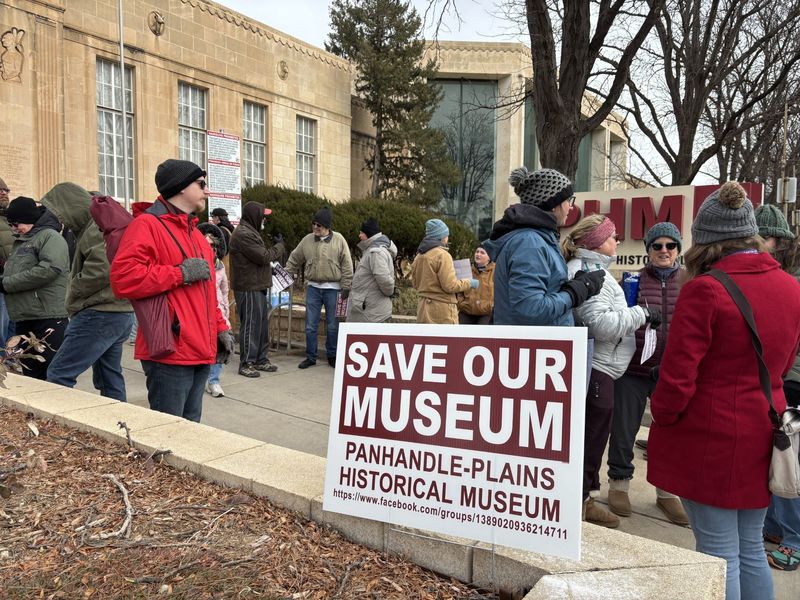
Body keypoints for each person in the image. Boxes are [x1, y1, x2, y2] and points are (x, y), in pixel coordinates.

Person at [647, 182, 800, 600]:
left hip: (710, 439)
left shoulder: (705, 289)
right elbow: (783, 366)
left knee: (717, 554)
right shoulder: (792, 288)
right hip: (765, 431)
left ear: (707, 241)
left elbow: (677, 380)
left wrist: (661, 414)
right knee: (750, 547)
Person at [110, 159, 234, 422]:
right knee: (167, 436)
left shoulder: (197, 235)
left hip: (200, 350)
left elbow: (207, 293)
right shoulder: (147, 225)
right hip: (170, 352)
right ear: (180, 187)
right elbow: (123, 279)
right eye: (201, 184)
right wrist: (179, 273)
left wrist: (220, 329)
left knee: (190, 435)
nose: (206, 190)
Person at [561, 215, 659, 528]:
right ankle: (577, 506)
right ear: (595, 241)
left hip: (602, 369)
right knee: (590, 440)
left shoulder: (594, 270)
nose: (617, 241)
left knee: (594, 437)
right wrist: (641, 313)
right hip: (596, 369)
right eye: (613, 235)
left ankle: (584, 499)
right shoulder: (589, 273)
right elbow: (600, 326)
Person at [606, 222, 688, 526]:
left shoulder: (690, 281)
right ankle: (619, 484)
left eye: (670, 245)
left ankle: (667, 492)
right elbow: (619, 319)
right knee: (624, 430)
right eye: (657, 246)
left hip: (673, 370)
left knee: (671, 434)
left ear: (678, 249)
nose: (664, 251)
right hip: (635, 368)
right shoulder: (632, 281)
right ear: (648, 250)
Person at [41, 183, 134, 400]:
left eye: (60, 212)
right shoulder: (99, 224)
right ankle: (117, 426)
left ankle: (53, 427)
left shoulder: (95, 227)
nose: (60, 220)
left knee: (58, 374)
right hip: (117, 312)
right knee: (108, 378)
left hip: (100, 313)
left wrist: (73, 289)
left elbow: (103, 267)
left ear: (71, 206)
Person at [483, 167, 605, 326]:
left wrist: (573, 286)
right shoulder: (529, 243)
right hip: (532, 347)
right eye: (568, 200)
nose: (571, 207)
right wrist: (575, 292)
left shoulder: (538, 239)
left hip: (538, 346)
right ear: (553, 204)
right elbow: (531, 310)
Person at [755, 204, 800, 572]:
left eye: (770, 240)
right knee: (777, 460)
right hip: (781, 383)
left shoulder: (790, 284)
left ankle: (793, 538)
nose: (769, 246)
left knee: (790, 466)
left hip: (793, 383)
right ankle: (773, 528)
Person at [0, 196, 69, 379]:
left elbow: (49, 270)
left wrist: (5, 284)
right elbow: (14, 273)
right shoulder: (22, 241)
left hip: (47, 318)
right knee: (32, 375)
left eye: (16, 223)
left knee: (51, 374)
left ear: (29, 218)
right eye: (10, 224)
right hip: (26, 318)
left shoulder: (49, 237)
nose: (14, 228)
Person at [285, 206, 353, 369]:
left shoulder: (339, 240)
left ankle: (332, 355)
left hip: (334, 289)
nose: (315, 227)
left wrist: (345, 287)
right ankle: (311, 356)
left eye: (319, 225)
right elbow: (294, 259)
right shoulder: (307, 240)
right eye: (314, 224)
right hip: (313, 288)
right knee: (310, 326)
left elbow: (347, 265)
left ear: (327, 227)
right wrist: (285, 276)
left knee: (332, 326)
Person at [228, 201, 285, 377]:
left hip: (257, 285)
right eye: (263, 216)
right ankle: (246, 362)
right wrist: (279, 247)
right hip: (248, 286)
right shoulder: (244, 234)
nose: (264, 220)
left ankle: (261, 359)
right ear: (255, 216)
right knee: (251, 325)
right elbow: (263, 257)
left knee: (260, 325)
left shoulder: (250, 232)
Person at [411, 219, 475, 324]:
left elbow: (415, 283)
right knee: (445, 340)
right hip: (442, 309)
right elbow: (450, 286)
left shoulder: (419, 255)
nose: (447, 238)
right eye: (446, 235)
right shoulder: (443, 255)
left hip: (423, 308)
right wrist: (469, 282)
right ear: (441, 236)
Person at [198, 222, 230, 397]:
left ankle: (214, 381)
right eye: (205, 244)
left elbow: (224, 290)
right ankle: (202, 378)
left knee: (219, 346)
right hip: (201, 314)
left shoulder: (220, 267)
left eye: (212, 245)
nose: (209, 249)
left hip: (218, 312)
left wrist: (226, 313)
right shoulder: (195, 266)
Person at [346, 217, 397, 323]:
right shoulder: (372, 250)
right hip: (371, 308)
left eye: (362, 233)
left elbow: (384, 279)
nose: (359, 236)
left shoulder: (375, 253)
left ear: (369, 234)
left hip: (371, 311)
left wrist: (389, 292)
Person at [457, 244, 494, 324]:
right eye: (477, 252)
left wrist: (492, 305)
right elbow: (460, 288)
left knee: (483, 334)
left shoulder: (496, 271)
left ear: (489, 257)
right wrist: (461, 303)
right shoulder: (467, 269)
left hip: (486, 312)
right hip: (467, 310)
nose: (478, 254)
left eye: (482, 253)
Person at [0, 177, 14, 346]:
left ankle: (9, 365)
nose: (4, 193)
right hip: (1, 283)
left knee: (13, 331)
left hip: (14, 283)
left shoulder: (10, 218)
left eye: (6, 190)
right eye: (0, 190)